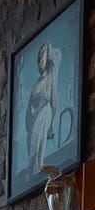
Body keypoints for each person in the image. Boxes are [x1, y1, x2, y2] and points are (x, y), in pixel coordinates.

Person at [26, 41, 62, 176]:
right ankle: (34, 169)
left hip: (43, 114)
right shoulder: (39, 80)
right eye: (40, 57)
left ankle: (37, 169)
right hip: (34, 117)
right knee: (33, 148)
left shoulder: (50, 76)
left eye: (43, 56)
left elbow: (53, 101)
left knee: (39, 149)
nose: (41, 60)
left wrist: (51, 124)